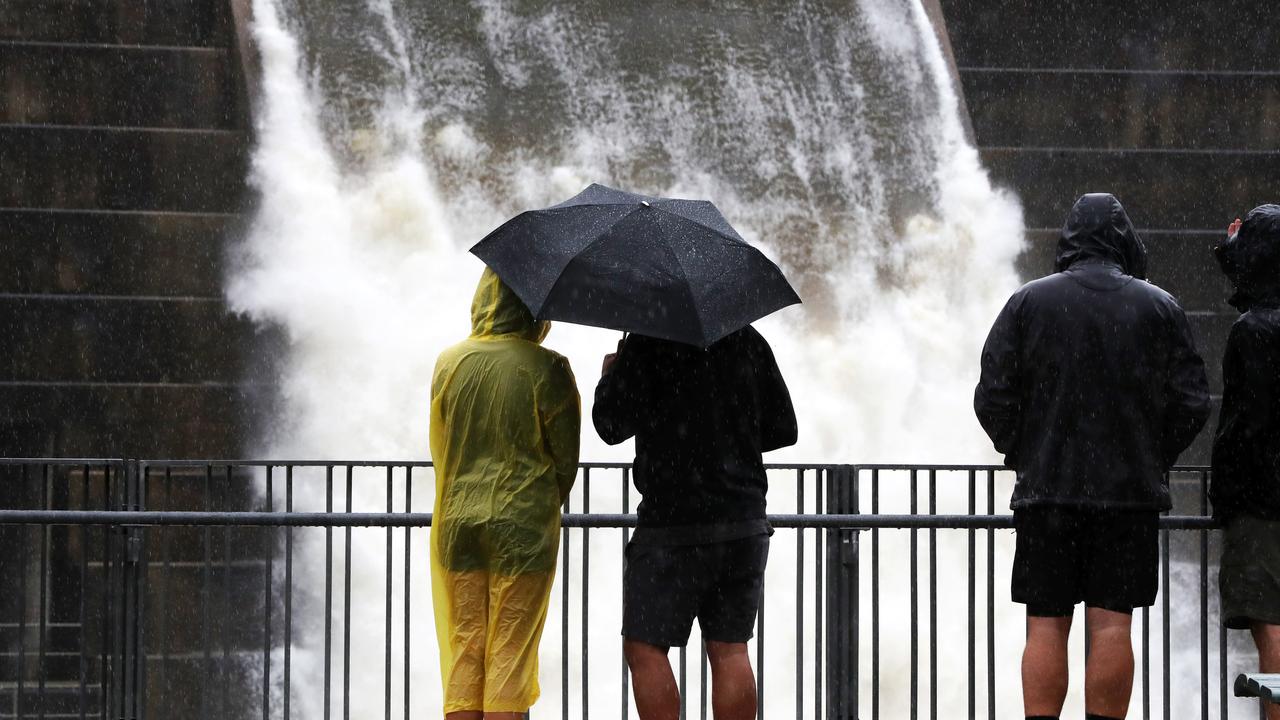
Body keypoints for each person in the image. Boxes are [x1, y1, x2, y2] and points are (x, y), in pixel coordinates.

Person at [974, 193, 1210, 720]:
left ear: (1068, 242)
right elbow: (1192, 401)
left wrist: (1025, 450)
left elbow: (992, 395)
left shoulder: (1028, 303)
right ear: (1124, 241)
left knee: (1045, 623)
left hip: (1047, 494)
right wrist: (1151, 453)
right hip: (1127, 498)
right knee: (1112, 624)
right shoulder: (1158, 306)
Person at [593, 326, 797, 720]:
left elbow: (610, 426)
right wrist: (731, 435)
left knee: (645, 646)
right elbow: (783, 429)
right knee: (730, 648)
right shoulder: (748, 339)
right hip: (743, 520)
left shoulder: (649, 339)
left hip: (672, 522)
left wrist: (611, 376)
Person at [429, 267, 581, 719]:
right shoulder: (547, 367)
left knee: (466, 645)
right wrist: (536, 500)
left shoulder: (449, 362)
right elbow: (565, 460)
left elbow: (441, 443)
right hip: (523, 528)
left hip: (458, 522)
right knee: (510, 651)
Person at [1211, 205, 1280, 720]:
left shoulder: (1253, 332)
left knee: (1272, 627)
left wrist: (1226, 496)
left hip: (1264, 504)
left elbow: (1244, 427)